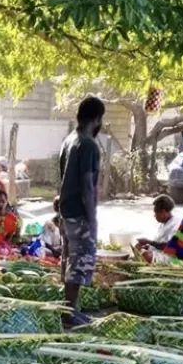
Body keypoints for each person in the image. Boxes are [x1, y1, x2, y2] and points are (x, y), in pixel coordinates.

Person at [58, 95, 106, 323]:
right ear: (97, 119)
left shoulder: (69, 140)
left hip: (66, 211)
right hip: (79, 212)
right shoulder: (88, 145)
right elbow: (88, 184)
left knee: (69, 258)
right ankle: (70, 312)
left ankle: (68, 309)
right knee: (79, 262)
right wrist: (93, 217)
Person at [135, 194, 178, 263]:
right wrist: (147, 246)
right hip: (159, 251)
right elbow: (158, 242)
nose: (155, 216)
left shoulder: (175, 225)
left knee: (146, 255)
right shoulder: (164, 223)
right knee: (138, 247)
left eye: (156, 213)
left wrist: (148, 241)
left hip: (170, 256)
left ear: (163, 212)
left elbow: (168, 247)